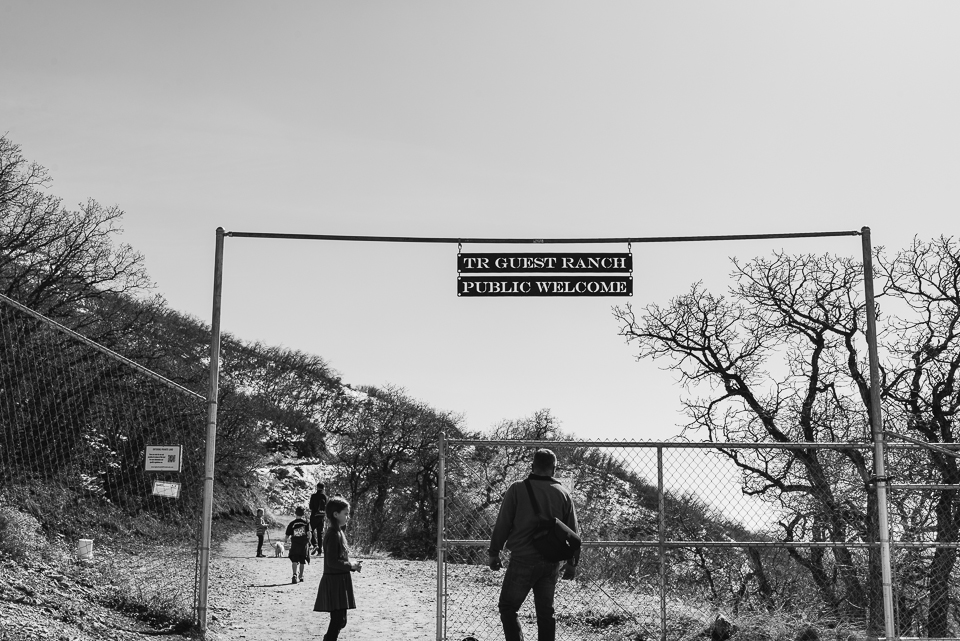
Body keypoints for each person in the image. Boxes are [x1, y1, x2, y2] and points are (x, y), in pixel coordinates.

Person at [489, 449, 579, 641]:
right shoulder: (564, 493)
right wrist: (572, 563)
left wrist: (494, 552)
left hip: (523, 559)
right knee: (546, 613)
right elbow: (573, 533)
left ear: (532, 466)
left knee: (508, 607)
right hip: (551, 562)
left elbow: (503, 523)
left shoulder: (517, 489)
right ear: (554, 469)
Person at [314, 496, 362, 641]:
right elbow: (332, 562)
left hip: (340, 580)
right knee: (337, 620)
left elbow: (338, 559)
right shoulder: (333, 534)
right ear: (336, 514)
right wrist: (350, 565)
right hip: (334, 583)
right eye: (345, 513)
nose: (348, 517)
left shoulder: (338, 532)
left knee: (341, 621)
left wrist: (352, 565)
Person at [285, 506, 311, 584]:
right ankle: (301, 576)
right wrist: (309, 541)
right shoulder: (306, 523)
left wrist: (286, 541)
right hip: (303, 544)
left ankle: (294, 574)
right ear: (303, 514)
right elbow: (309, 533)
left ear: (295, 513)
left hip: (295, 544)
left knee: (294, 560)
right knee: (302, 560)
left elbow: (287, 534)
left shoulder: (292, 523)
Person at [309, 482, 328, 554]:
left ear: (317, 487)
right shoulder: (325, 497)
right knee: (320, 534)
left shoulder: (313, 496)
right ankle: (320, 551)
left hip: (314, 516)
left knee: (309, 530)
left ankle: (315, 544)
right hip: (322, 517)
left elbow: (311, 507)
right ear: (323, 488)